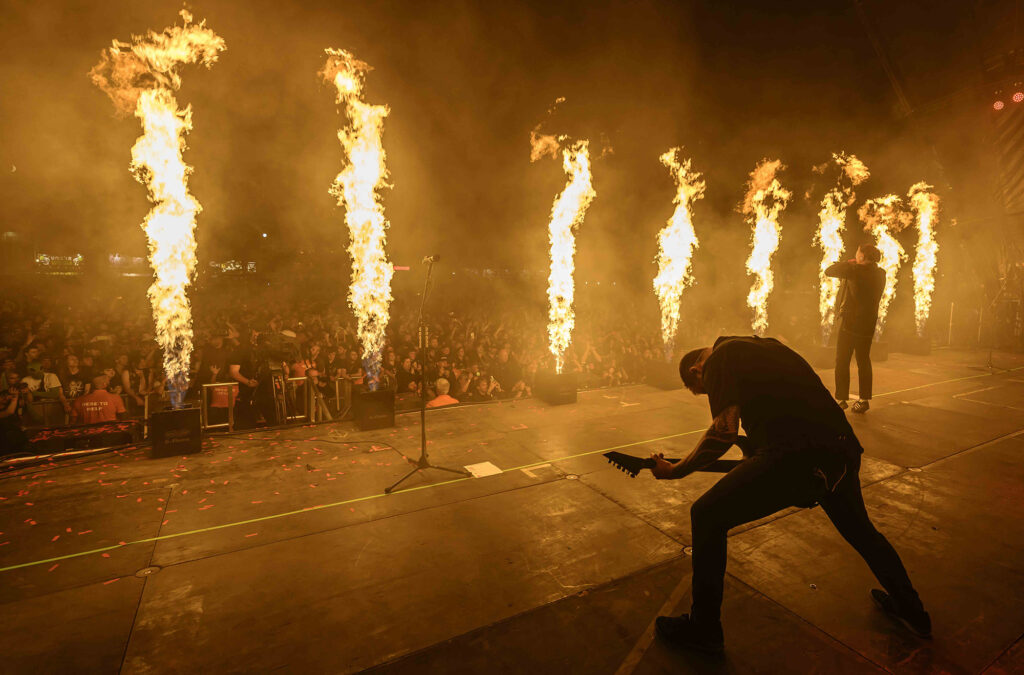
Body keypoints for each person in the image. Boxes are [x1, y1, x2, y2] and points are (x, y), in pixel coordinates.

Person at [650, 336, 930, 654]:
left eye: (703, 390)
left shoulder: (718, 359)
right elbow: (784, 412)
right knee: (861, 532)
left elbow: (723, 430)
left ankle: (703, 630)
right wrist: (755, 452)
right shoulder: (766, 347)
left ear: (697, 369)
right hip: (839, 450)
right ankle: (913, 611)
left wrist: (676, 470)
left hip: (797, 457)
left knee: (706, 514)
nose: (710, 393)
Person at [826, 243, 886, 413]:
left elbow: (829, 271)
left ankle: (841, 399)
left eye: (857, 252)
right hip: (868, 324)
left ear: (862, 256)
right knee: (863, 360)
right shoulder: (881, 274)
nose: (855, 254)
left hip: (850, 324)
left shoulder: (853, 270)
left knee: (842, 360)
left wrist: (849, 263)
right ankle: (863, 400)